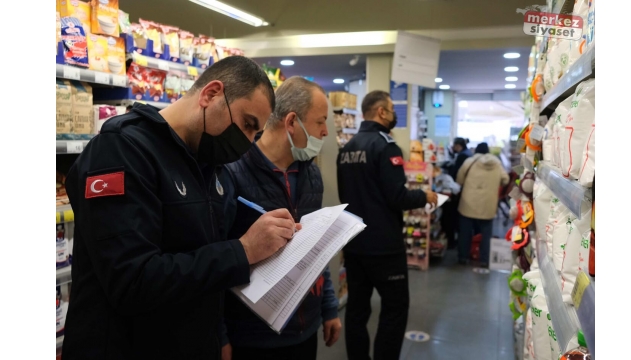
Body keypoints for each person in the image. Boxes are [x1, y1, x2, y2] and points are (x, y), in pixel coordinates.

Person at [62, 56, 301, 360]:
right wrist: (243, 251)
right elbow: (132, 281)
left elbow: (204, 253)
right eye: (247, 124)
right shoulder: (122, 150)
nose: (249, 142)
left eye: (256, 133)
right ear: (211, 94)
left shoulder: (214, 167)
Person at [218, 77, 342, 360]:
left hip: (305, 330)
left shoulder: (311, 175)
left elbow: (316, 250)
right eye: (320, 122)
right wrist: (220, 334)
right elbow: (218, 257)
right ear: (291, 122)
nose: (325, 133)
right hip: (252, 337)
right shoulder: (232, 173)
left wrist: (329, 307)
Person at [337, 90, 438, 360]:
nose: (394, 115)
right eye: (392, 110)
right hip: (384, 247)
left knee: (357, 311)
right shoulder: (386, 146)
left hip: (355, 243)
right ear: (381, 112)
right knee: (395, 309)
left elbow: (344, 196)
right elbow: (398, 196)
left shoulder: (346, 149)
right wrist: (424, 196)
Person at [456, 142, 509, 266]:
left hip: (468, 202)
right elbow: (505, 179)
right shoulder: (497, 164)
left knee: (465, 232)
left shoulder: (469, 162)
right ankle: (484, 260)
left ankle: (463, 257)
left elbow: (459, 179)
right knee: (486, 234)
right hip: (488, 203)